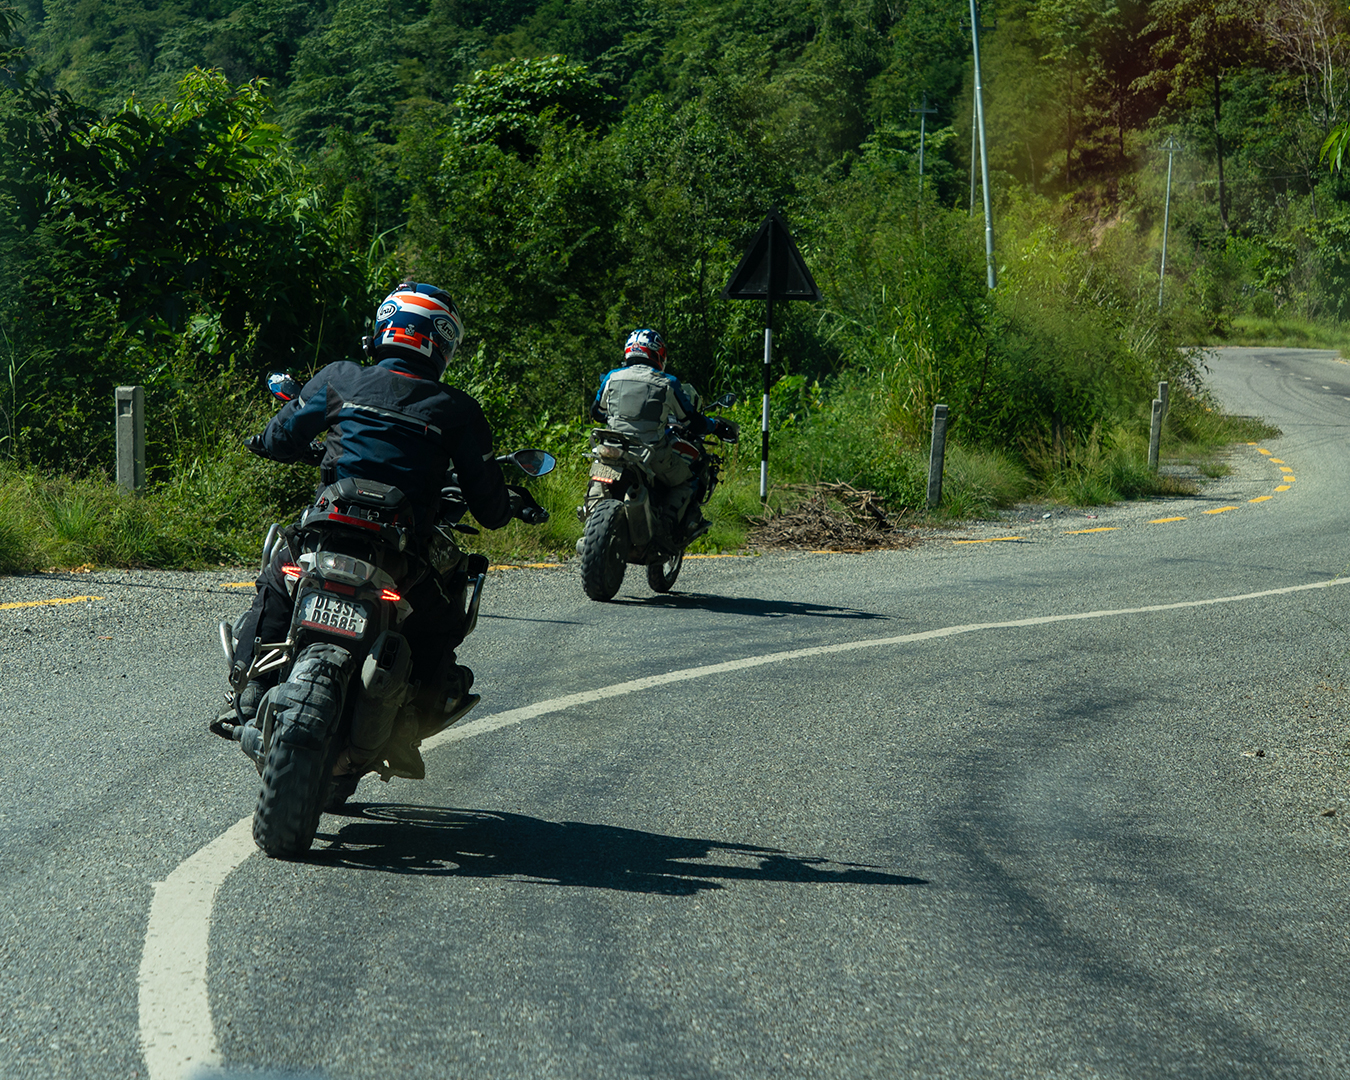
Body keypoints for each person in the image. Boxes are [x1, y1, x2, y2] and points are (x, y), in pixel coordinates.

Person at [223, 281, 523, 777]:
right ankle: (409, 725)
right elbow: (490, 510)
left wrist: (267, 438)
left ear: (385, 326)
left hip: (330, 529)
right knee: (447, 608)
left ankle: (250, 684)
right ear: (441, 345)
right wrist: (504, 504)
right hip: (400, 550)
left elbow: (280, 438)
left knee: (281, 573)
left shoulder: (340, 377)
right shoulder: (458, 410)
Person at [590, 328, 735, 539]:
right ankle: (666, 528)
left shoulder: (612, 377)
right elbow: (691, 421)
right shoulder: (667, 382)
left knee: (598, 470)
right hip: (651, 451)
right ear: (658, 353)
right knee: (687, 481)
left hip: (614, 446)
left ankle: (590, 514)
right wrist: (715, 426)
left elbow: (597, 412)